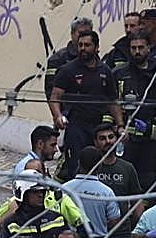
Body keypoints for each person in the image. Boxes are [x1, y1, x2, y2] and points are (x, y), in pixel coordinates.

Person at [49, 30, 123, 179]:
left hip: (98, 126)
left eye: (87, 45)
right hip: (76, 126)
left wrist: (120, 125)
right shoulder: (68, 70)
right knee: (75, 164)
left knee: (100, 164)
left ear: (96, 47)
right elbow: (55, 97)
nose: (82, 48)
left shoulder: (105, 72)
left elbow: (112, 102)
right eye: (80, 45)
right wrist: (58, 116)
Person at [92, 122, 145, 238]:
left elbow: (137, 200)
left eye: (111, 137)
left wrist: (137, 228)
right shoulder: (89, 168)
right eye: (102, 138)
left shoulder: (127, 168)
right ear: (95, 142)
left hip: (122, 235)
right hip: (95, 234)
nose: (108, 141)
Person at [113, 34, 156, 185]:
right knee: (123, 179)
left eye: (141, 48)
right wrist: (117, 128)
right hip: (126, 140)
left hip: (150, 141)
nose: (137, 52)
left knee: (147, 181)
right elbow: (112, 104)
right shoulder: (119, 73)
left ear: (149, 48)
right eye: (133, 48)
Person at [44, 17, 94, 98]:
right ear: (72, 34)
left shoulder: (93, 57)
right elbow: (51, 93)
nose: (84, 37)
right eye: (80, 33)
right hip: (67, 108)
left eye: (87, 33)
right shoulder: (57, 59)